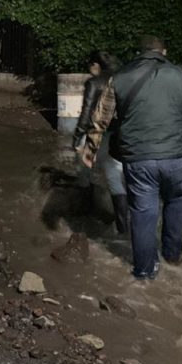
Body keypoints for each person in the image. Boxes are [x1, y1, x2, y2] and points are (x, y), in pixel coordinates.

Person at [83, 36, 182, 280]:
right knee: (176, 200)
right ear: (163, 51)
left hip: (138, 157)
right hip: (176, 156)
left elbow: (100, 119)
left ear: (140, 53)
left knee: (143, 211)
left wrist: (90, 151)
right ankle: (173, 256)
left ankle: (145, 271)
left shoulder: (118, 79)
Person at [73, 51, 128, 237]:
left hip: (96, 134)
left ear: (95, 65)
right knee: (114, 175)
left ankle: (85, 211)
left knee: (84, 170)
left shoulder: (93, 82)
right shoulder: (122, 79)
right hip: (118, 135)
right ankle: (122, 224)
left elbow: (87, 112)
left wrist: (77, 137)